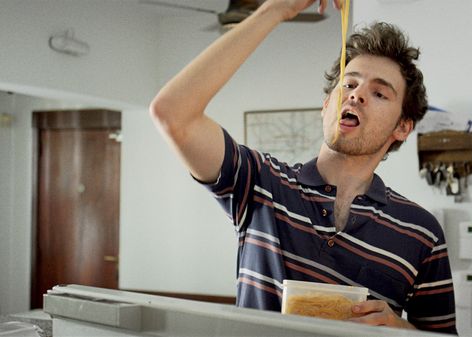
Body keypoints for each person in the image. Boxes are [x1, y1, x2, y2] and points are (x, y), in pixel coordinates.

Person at [150, 0, 456, 334]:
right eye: (349, 84)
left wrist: (401, 329)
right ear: (327, 104)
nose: (356, 96)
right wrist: (275, 10)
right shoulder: (262, 182)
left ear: (402, 127)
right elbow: (172, 113)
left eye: (379, 93)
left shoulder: (422, 232)